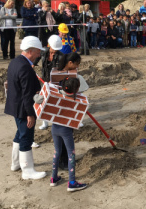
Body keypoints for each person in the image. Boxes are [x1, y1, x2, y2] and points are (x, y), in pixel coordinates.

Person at [5, 36, 46, 180]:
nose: (39, 55)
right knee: (26, 137)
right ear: (29, 51)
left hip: (16, 106)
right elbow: (27, 93)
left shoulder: (16, 62)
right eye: (37, 52)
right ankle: (27, 170)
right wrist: (30, 114)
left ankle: (15, 163)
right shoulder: (25, 67)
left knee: (19, 134)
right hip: (23, 109)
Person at [45, 77, 87, 192]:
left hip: (54, 127)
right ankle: (72, 182)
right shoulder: (75, 100)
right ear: (76, 89)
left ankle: (53, 178)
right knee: (70, 154)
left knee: (57, 151)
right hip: (66, 130)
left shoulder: (57, 96)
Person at [38, 34, 63, 130]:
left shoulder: (61, 56)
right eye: (54, 49)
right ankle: (45, 122)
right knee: (43, 100)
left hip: (55, 81)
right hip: (44, 79)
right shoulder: (43, 52)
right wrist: (33, 64)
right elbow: (37, 57)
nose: (55, 50)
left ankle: (56, 120)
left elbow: (63, 70)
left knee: (54, 100)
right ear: (50, 45)